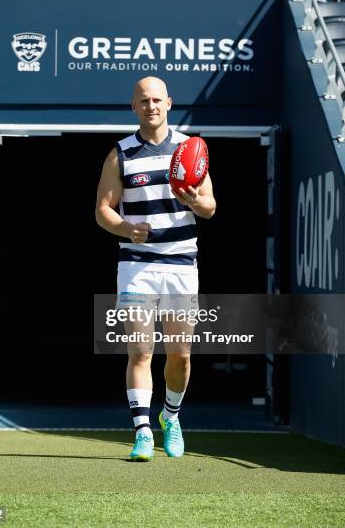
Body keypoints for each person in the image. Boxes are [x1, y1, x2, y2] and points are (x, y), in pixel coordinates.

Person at [95, 76, 216, 461]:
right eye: (143, 101)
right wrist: (127, 228)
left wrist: (196, 200)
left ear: (169, 103)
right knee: (141, 351)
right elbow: (103, 209)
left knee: (180, 354)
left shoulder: (189, 148)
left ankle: (172, 417)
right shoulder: (120, 154)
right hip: (137, 264)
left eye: (157, 100)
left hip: (181, 261)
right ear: (134, 106)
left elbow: (211, 207)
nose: (151, 106)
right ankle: (143, 432)